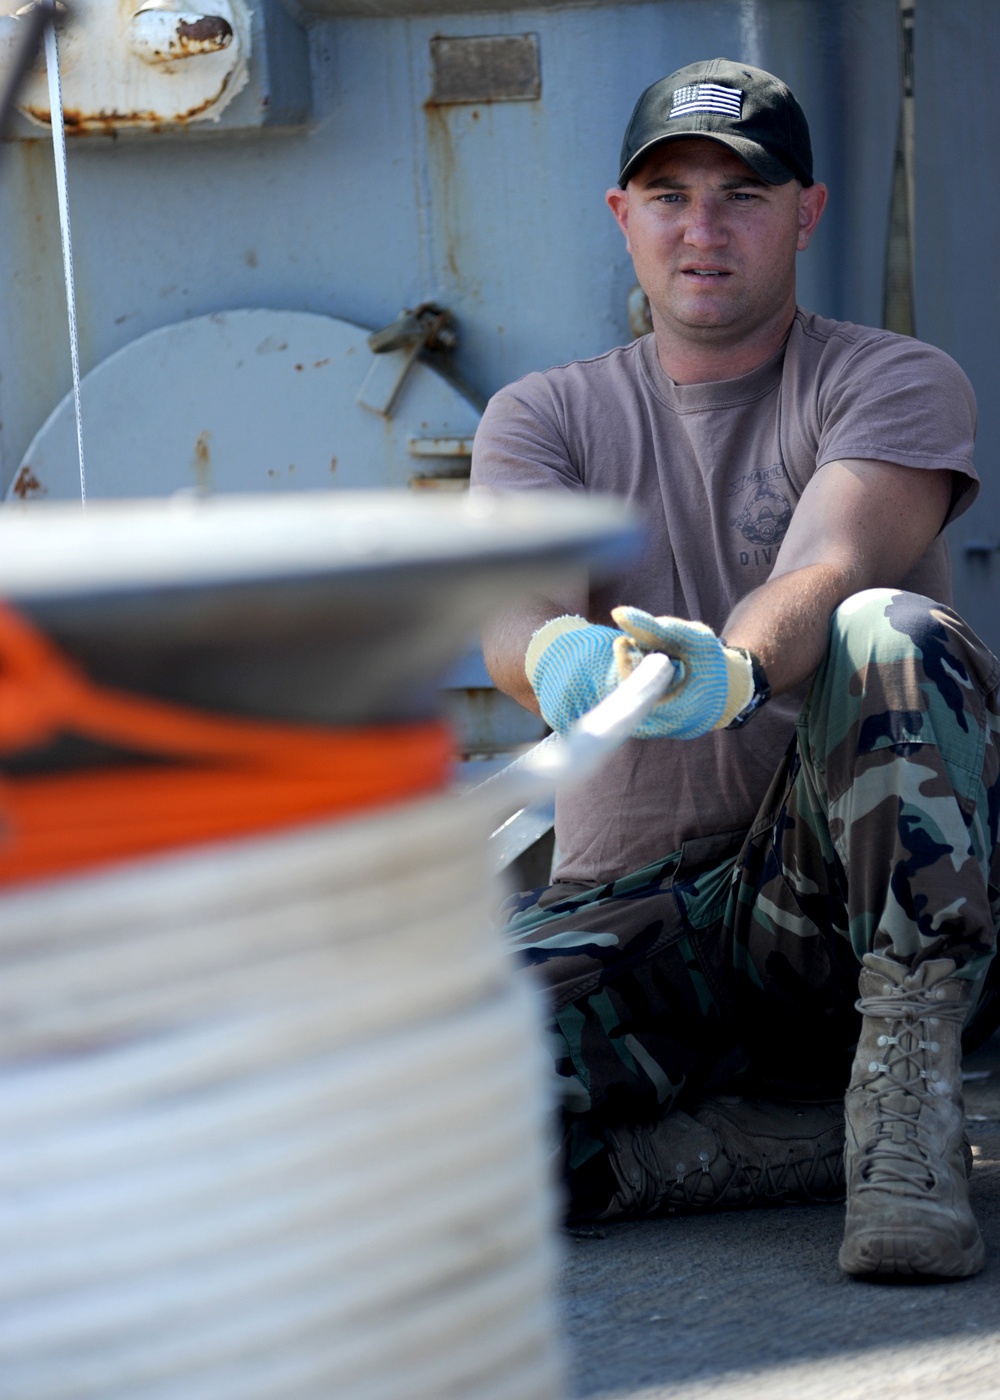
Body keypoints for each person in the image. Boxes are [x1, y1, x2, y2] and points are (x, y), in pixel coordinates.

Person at [470, 57, 1000, 1280]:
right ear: (623, 215)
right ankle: (764, 1144)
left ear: (806, 211)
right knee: (396, 1107)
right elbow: (511, 603)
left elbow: (826, 562)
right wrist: (554, 651)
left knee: (887, 628)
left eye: (741, 195)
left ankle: (905, 1108)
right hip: (637, 912)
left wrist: (733, 666)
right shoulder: (542, 415)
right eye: (669, 196)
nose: (701, 229)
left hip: (822, 905)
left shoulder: (887, 378)